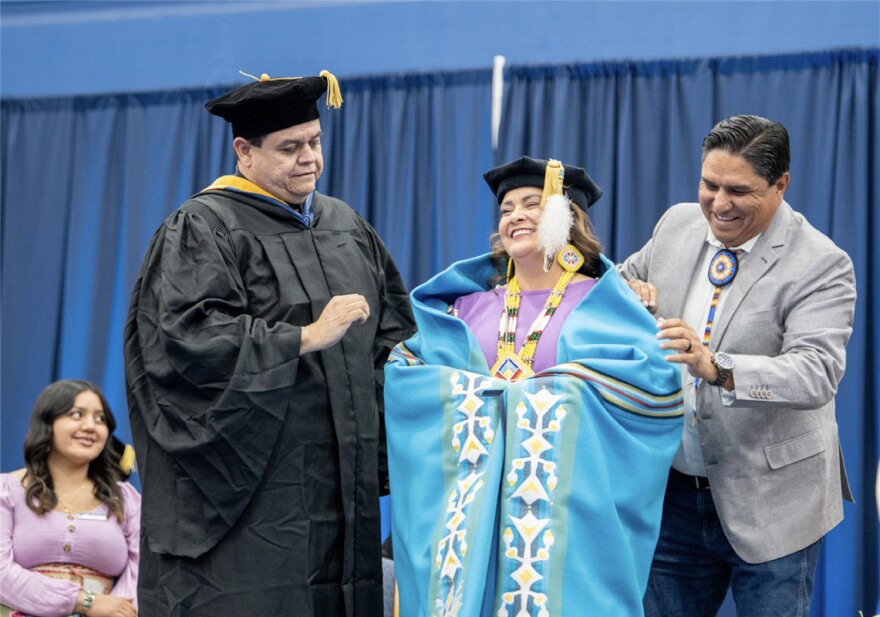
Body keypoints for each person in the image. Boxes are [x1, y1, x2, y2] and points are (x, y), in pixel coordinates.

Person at [123, 70, 415, 616]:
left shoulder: (345, 224)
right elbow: (183, 337)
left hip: (342, 489)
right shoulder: (204, 227)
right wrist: (302, 338)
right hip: (257, 498)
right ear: (244, 150)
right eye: (289, 147)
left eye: (315, 141)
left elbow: (395, 337)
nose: (309, 158)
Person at [384, 156, 685, 616]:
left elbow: (653, 390)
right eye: (506, 209)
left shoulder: (608, 304)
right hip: (472, 523)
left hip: (563, 522)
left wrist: (538, 397)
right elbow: (410, 374)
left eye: (532, 204)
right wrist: (483, 401)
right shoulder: (464, 307)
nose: (515, 216)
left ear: (568, 219)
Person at [618, 114, 856, 616]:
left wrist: (717, 367)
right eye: (709, 184)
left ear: (781, 184)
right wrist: (626, 290)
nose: (718, 204)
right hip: (675, 497)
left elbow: (816, 372)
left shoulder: (822, 263)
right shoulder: (677, 224)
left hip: (776, 503)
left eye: (738, 190)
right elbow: (614, 286)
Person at [0, 379, 140, 617]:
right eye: (76, 414)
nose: (90, 426)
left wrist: (119, 611)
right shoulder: (7, 490)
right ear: (47, 424)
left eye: (100, 419)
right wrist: (83, 602)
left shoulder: (126, 499)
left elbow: (143, 570)